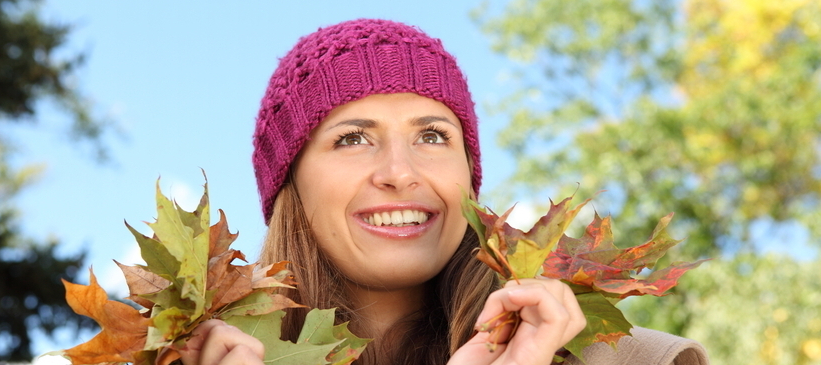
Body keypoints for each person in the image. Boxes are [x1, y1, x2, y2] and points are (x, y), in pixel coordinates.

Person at [178, 19, 710, 365]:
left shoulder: (624, 358)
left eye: (432, 136)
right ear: (288, 185)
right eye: (353, 138)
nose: (399, 171)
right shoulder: (188, 356)